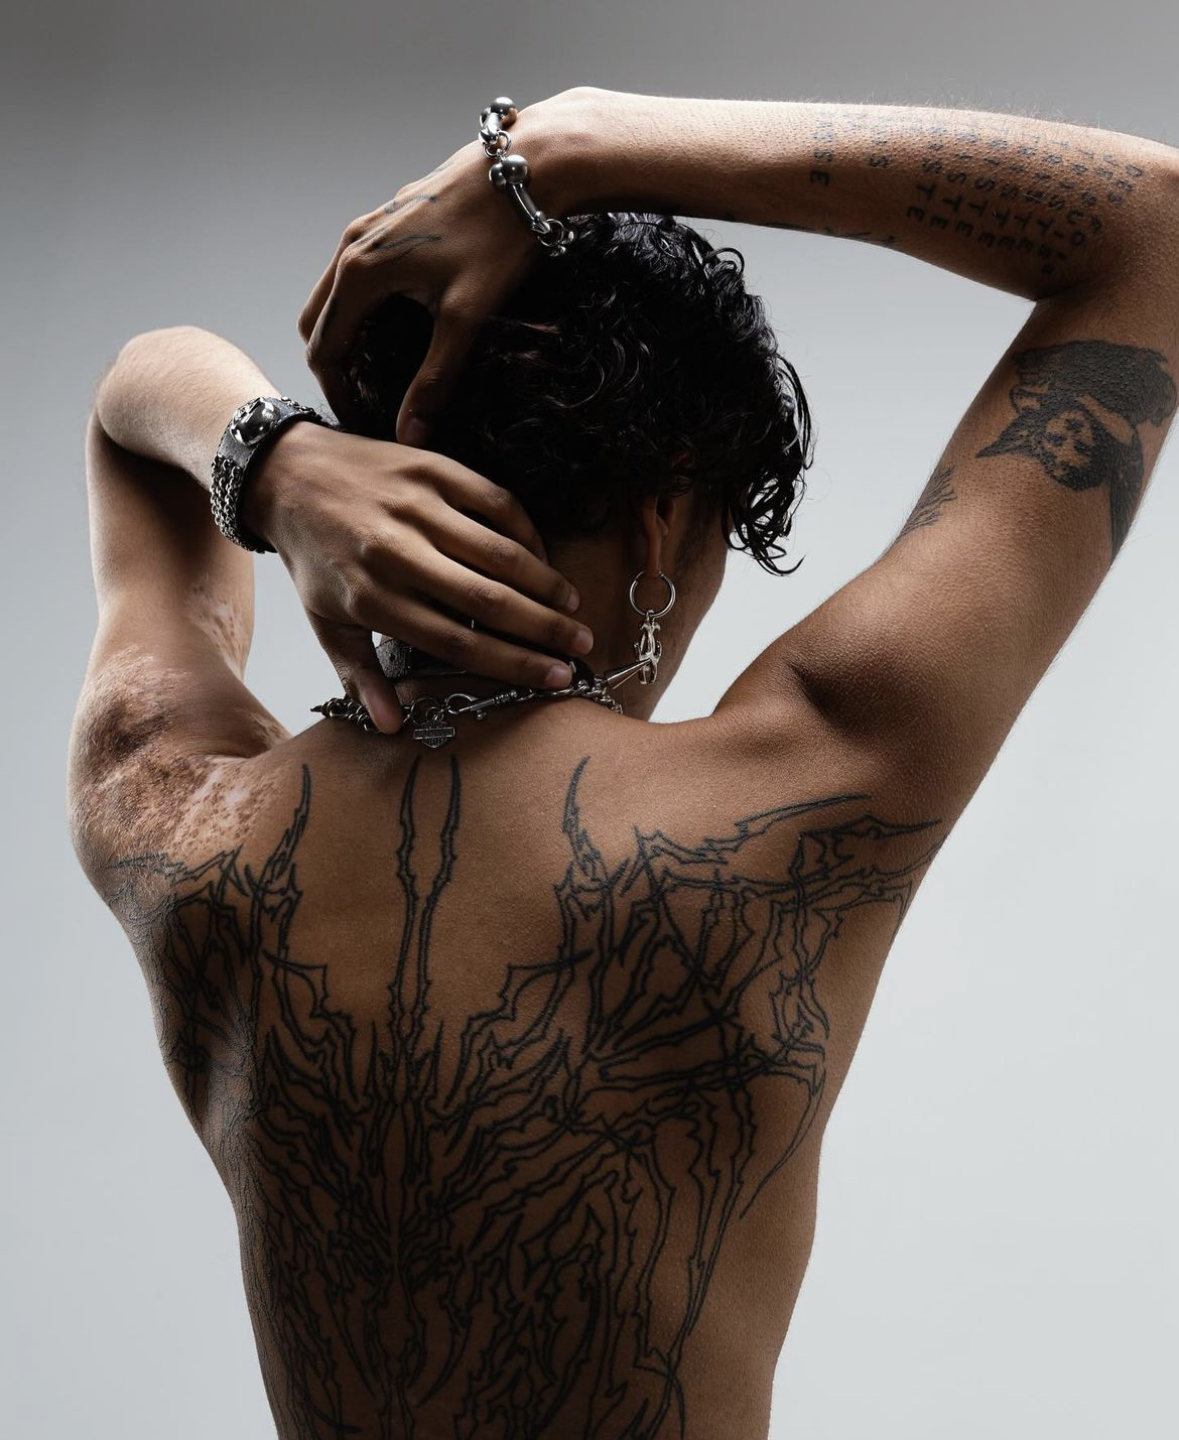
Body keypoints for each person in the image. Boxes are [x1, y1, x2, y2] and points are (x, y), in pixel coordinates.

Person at [68, 87, 1178, 1440]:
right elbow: (1156, 225)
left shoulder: (180, 817)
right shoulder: (806, 781)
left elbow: (134, 403)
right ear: (663, 527)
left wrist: (272, 461)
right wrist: (568, 145)